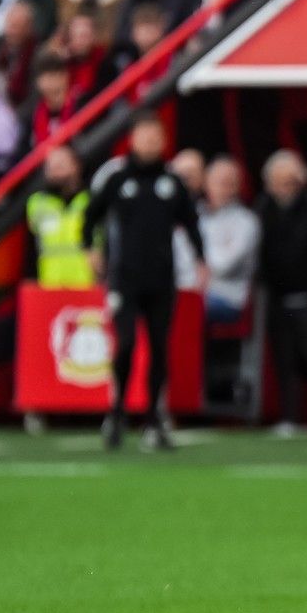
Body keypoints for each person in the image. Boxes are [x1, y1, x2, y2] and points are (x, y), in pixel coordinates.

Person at [90, 112, 202, 451]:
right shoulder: (116, 177)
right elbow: (91, 215)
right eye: (145, 136)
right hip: (124, 278)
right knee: (125, 343)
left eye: (156, 137)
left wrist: (201, 259)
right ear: (133, 139)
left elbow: (191, 223)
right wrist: (91, 249)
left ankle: (154, 419)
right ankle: (116, 411)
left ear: (164, 140)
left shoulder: (172, 182)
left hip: (161, 279)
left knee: (159, 348)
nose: (151, 143)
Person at [256, 150, 307, 435]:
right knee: (284, 360)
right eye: (278, 182)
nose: (284, 188)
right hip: (278, 297)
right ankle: (289, 417)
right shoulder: (263, 208)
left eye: (289, 182)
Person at [197, 155, 260, 324]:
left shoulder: (246, 221)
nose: (223, 188)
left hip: (226, 298)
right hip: (194, 291)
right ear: (206, 182)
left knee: (181, 309)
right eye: (218, 181)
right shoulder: (197, 214)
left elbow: (224, 265)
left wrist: (197, 261)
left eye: (229, 183)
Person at [26, 145, 94, 288]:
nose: (55, 170)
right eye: (51, 166)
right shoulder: (36, 203)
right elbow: (30, 248)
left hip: (87, 286)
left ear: (76, 166)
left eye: (61, 165)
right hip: (49, 285)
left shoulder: (92, 201)